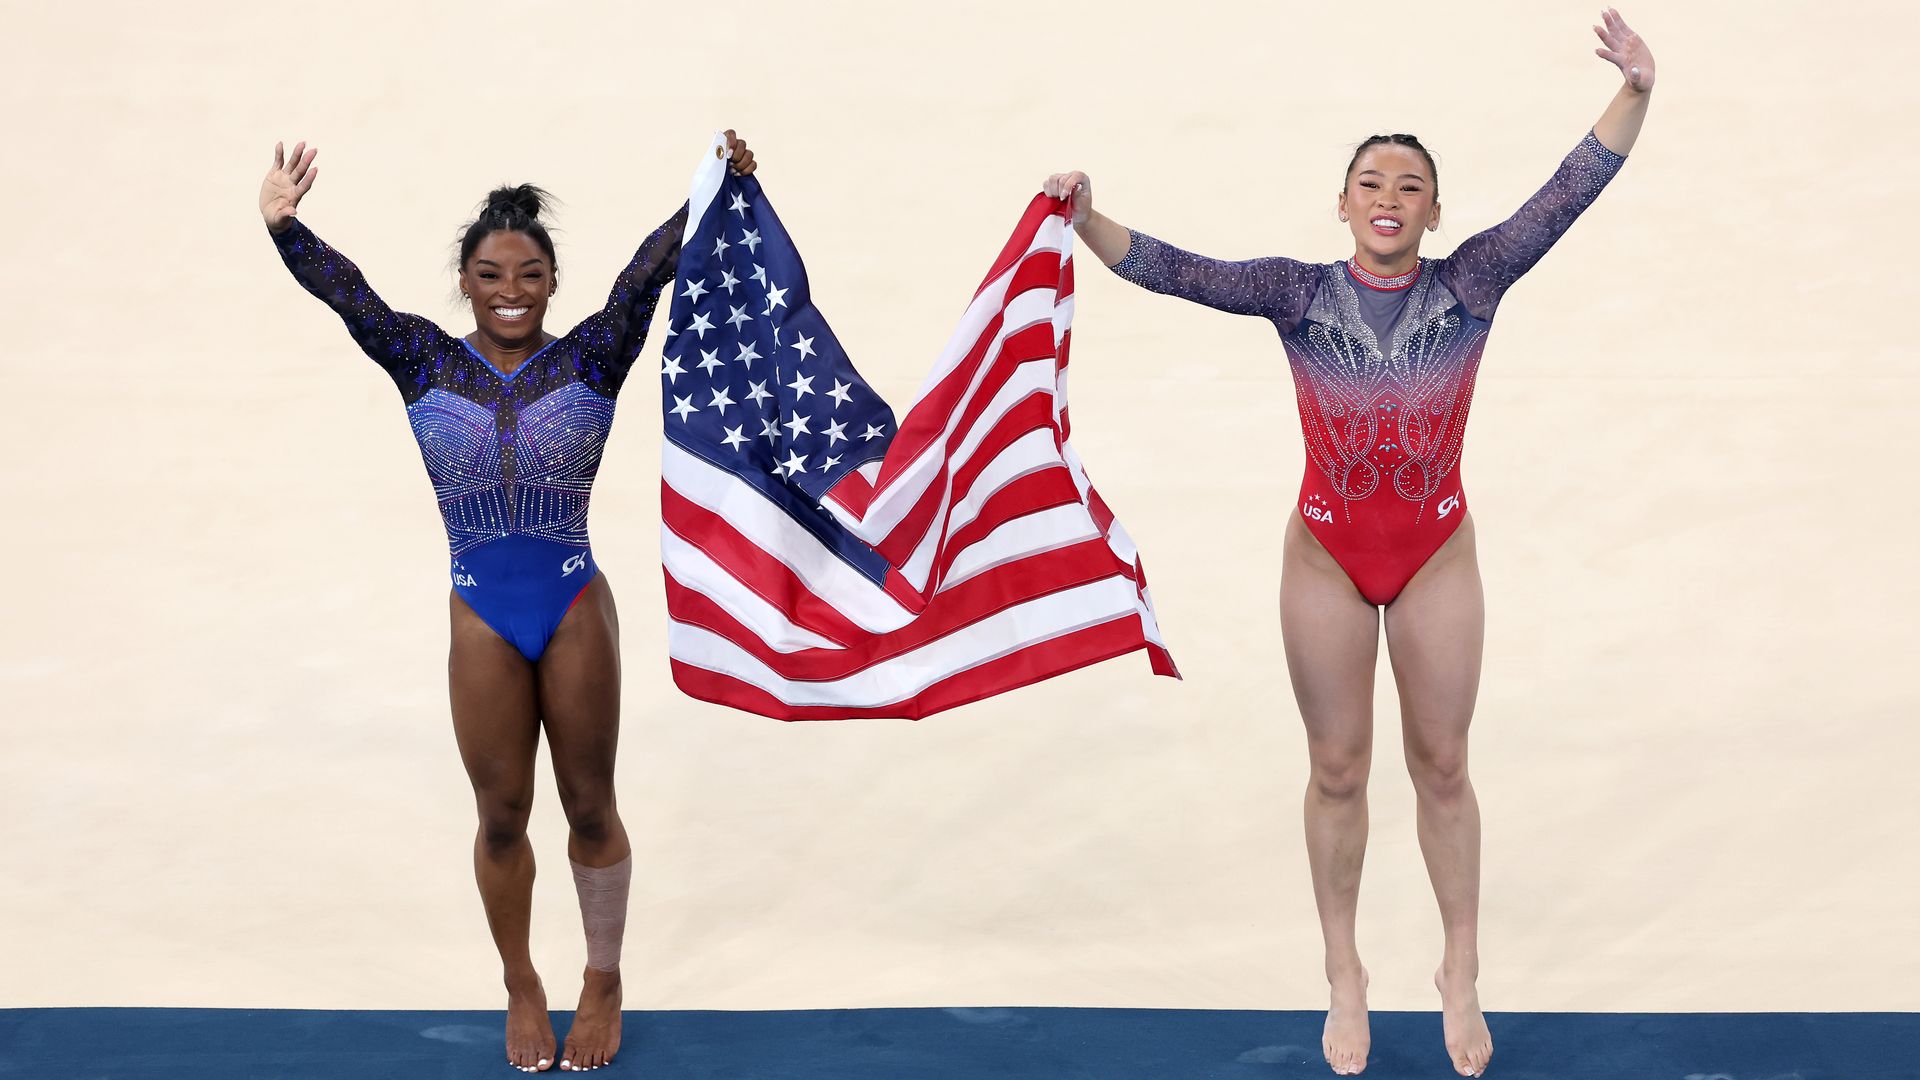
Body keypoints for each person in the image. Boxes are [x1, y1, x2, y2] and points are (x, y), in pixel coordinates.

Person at [1043, 10, 1653, 1076]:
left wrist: (1637, 91)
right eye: (1371, 182)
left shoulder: (1472, 282)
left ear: (1432, 210)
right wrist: (1089, 219)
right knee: (1337, 767)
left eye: (1409, 184)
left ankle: (1460, 966)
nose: (1388, 197)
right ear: (1342, 204)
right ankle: (1344, 971)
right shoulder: (1296, 292)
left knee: (1444, 763)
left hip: (1435, 551)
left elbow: (1568, 192)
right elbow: (1179, 271)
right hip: (1325, 552)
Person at [260, 131, 758, 1073]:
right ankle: (521, 979)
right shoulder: (420, 359)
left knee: (589, 806)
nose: (511, 288)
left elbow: (648, 275)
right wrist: (286, 227)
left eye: (530, 272)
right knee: (499, 816)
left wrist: (717, 183)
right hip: (481, 607)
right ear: (465, 279)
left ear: (553, 279)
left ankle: (602, 978)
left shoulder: (592, 359)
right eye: (490, 273)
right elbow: (349, 297)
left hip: (572, 600)